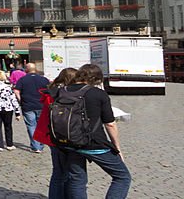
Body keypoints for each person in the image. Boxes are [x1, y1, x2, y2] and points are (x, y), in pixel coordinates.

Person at [60, 64, 131, 199]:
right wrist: (117, 148)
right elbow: (110, 124)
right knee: (122, 177)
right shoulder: (98, 94)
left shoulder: (64, 90)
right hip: (93, 143)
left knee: (77, 179)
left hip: (69, 142)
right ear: (96, 79)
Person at [35, 67, 78, 199]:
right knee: (67, 172)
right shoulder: (63, 94)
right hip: (64, 133)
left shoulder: (52, 91)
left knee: (59, 171)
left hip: (52, 134)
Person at [13, 62, 49, 153]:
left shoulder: (22, 80)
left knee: (31, 126)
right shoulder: (44, 79)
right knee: (41, 126)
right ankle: (40, 144)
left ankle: (35, 146)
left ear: (26, 70)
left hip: (27, 105)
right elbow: (49, 91)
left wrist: (20, 100)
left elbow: (16, 91)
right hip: (41, 105)